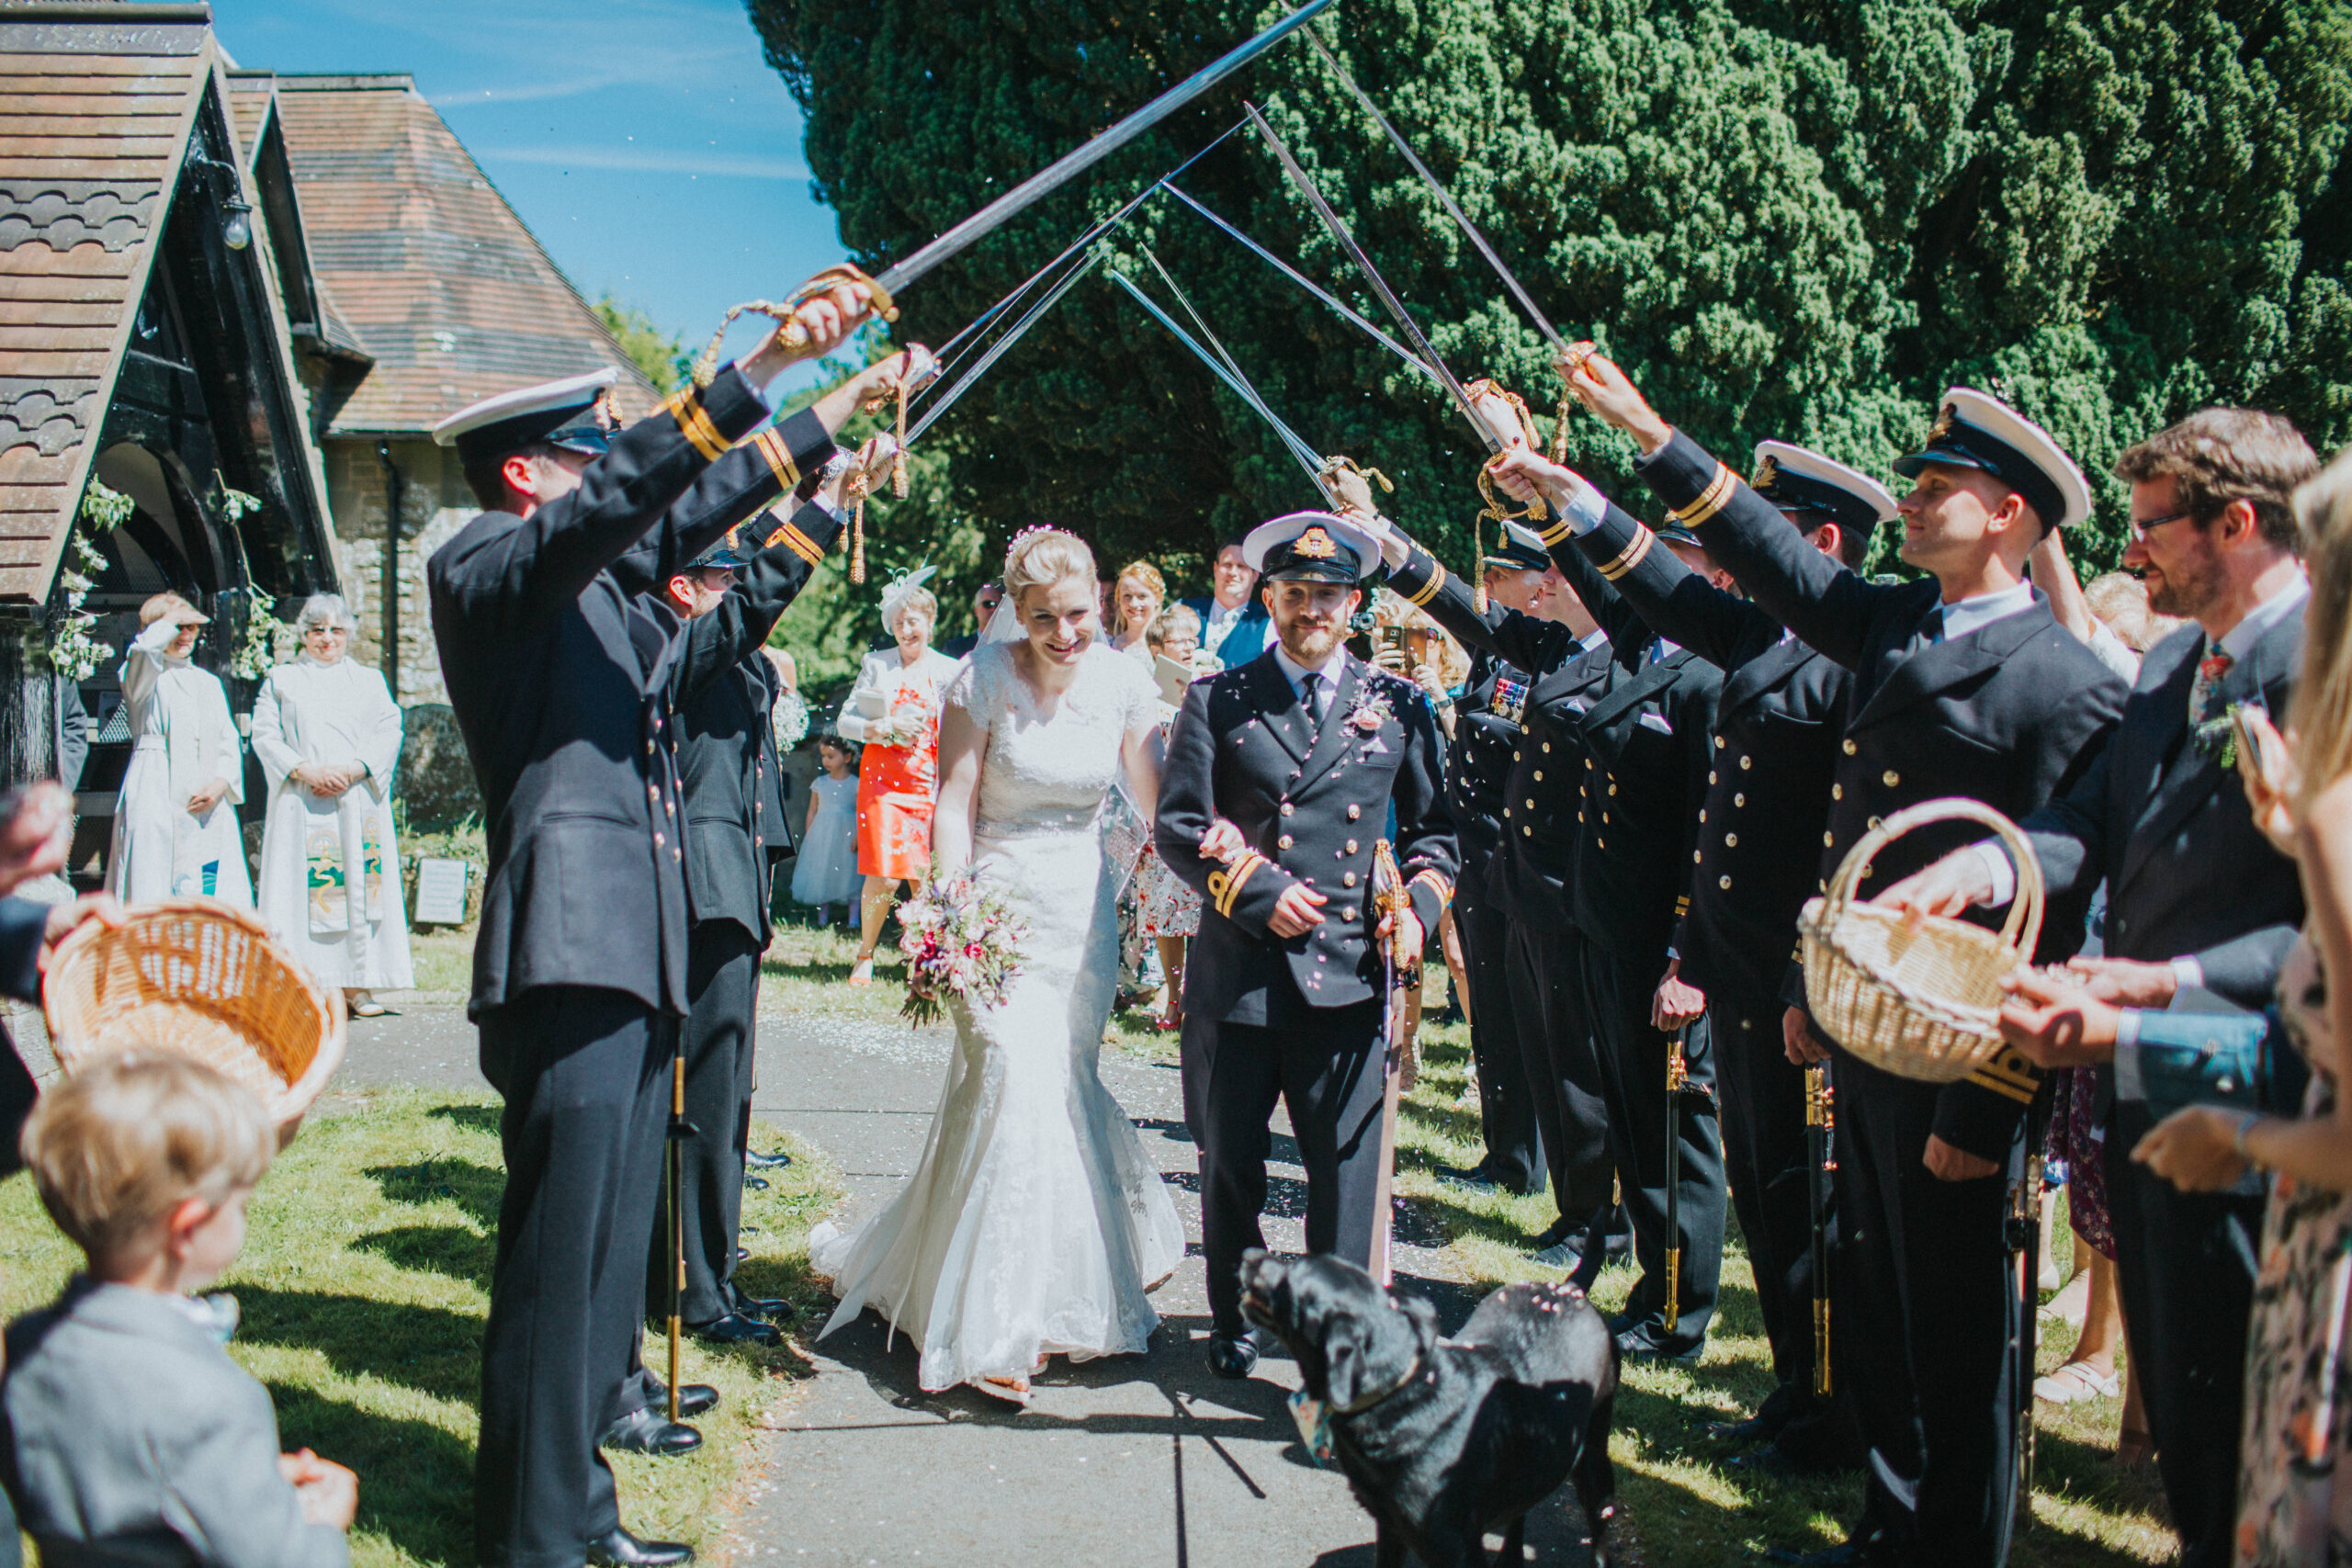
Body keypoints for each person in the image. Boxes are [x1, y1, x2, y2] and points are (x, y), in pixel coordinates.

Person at [1555, 349, 2127, 1568]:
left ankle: (1954, 1541)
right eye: (1913, 481)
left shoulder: (2064, 680)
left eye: (1939, 483)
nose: (1910, 498)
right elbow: (1765, 566)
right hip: (1868, 1028)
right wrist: (1629, 457)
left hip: (1965, 1052)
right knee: (1876, 1295)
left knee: (1960, 1326)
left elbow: (2058, 908)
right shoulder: (1898, 619)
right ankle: (1890, 1522)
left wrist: (1994, 1100)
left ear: (2008, 513)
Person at [426, 279, 890, 1568]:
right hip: (565, 944)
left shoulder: (601, 593)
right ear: (527, 474)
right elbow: (640, 495)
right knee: (554, 1255)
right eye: (584, 451)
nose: (603, 473)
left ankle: (573, 1509)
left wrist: (831, 412)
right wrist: (756, 367)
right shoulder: (482, 565)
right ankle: (529, 1529)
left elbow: (687, 511)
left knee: (597, 1248)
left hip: (628, 946)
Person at [1894, 408, 2320, 1568]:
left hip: (2271, 1112)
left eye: (2149, 530)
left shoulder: (2326, 669)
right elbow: (2093, 818)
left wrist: (2155, 988)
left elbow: (2317, 927)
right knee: (2188, 1428)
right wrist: (1983, 861)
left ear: (2234, 525)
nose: (2129, 554)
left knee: (2263, 1449)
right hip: (2137, 1093)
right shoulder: (2179, 660)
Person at [1497, 432, 1888, 1446]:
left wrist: (1727, 963)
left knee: (1805, 1197)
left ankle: (1837, 1400)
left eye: (1759, 542)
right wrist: (1557, 498)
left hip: (1796, 975)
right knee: (1769, 1193)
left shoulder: (1848, 658)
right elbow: (1652, 585)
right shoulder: (1762, 644)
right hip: (1742, 964)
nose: (1728, 564)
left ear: (1821, 547)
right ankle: (1800, 1390)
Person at [808, 527, 1184, 1404]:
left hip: (1080, 914)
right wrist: (946, 907)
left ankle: (1062, 1292)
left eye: (1080, 614)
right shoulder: (978, 678)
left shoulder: (1125, 682)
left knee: (1058, 1083)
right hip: (995, 909)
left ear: (1100, 600)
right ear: (1017, 612)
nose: (1065, 633)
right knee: (1010, 1077)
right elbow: (953, 801)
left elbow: (1164, 794)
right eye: (1045, 617)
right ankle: (996, 1328)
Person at [1374, 471, 1730, 1360]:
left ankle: (1674, 1303)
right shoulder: (1612, 650)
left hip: (1638, 929)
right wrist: (1394, 548)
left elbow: (1701, 824)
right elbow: (1475, 615)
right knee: (1613, 1103)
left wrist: (1687, 950)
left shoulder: (1689, 671)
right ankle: (1645, 1277)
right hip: (1574, 908)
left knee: (1661, 1126)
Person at [1156, 510, 1458, 1379]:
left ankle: (1338, 1334)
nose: (1310, 609)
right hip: (1242, 978)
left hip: (1350, 976)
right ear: (1269, 596)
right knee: (1233, 1166)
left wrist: (1421, 911)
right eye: (1293, 593)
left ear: (1353, 605)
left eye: (1327, 594)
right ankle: (1241, 1314)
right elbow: (1179, 826)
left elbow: (1441, 832)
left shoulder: (1398, 705)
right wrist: (1256, 890)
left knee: (1344, 1177)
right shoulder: (1218, 698)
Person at [632, 502, 853, 1377]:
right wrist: (823, 511)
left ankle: (716, 1270)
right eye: (720, 579)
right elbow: (757, 597)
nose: (735, 593)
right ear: (687, 587)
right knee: (695, 1098)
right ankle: (685, 1284)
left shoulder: (728, 651)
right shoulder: (677, 644)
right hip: (698, 889)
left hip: (736, 886)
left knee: (728, 1094)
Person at [4, 1053, 356, 1568]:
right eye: (240, 1204)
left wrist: (244, 1476)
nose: (244, 1216)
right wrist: (323, 1526)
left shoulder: (26, 1346)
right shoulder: (208, 1400)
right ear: (188, 1228)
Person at [249, 593, 413, 1016]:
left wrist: (358, 768)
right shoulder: (282, 679)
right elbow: (265, 736)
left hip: (357, 800)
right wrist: (304, 769)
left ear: (348, 635)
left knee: (358, 890)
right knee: (300, 894)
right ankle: (305, 985)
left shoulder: (370, 680)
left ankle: (356, 986)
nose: (327, 639)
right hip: (302, 802)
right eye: (317, 630)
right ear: (303, 635)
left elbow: (389, 730)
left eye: (336, 630)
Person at [836, 568, 960, 986]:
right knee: (885, 873)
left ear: (930, 622)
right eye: (899, 622)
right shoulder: (877, 665)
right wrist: (880, 728)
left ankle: (920, 956)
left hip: (928, 783)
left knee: (921, 874)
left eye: (914, 621)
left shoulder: (948, 670)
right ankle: (865, 953)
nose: (907, 629)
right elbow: (844, 722)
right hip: (882, 783)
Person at [107, 592, 249, 907]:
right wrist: (166, 620)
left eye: (191, 628)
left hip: (205, 792)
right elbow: (143, 651)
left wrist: (220, 783)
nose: (185, 635)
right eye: (177, 627)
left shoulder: (208, 682)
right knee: (154, 873)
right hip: (157, 783)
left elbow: (228, 740)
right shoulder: (145, 676)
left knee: (209, 879)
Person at [1137, 604, 1211, 1032]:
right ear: (1157, 647)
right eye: (1179, 639)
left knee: (1201, 908)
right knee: (1166, 912)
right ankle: (1174, 995)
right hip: (1161, 809)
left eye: (1191, 639)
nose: (1188, 646)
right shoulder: (1147, 693)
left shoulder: (1208, 682)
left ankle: (1199, 998)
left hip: (1202, 809)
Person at [791, 735, 861, 926]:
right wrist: (811, 835)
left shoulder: (856, 784)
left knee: (850, 871)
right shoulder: (820, 783)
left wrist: (859, 835)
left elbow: (861, 812)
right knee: (824, 871)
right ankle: (823, 919)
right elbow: (812, 811)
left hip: (847, 834)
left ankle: (854, 920)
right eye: (823, 756)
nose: (825, 761)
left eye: (831, 756)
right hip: (823, 833)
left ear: (847, 758)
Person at [1181, 537, 1272, 666]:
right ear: (1215, 568)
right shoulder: (1182, 609)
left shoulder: (1268, 625)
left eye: (1241, 566)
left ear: (1256, 575)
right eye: (1227, 565)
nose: (1233, 573)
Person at [1107, 560, 1165, 660]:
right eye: (1127, 596)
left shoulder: (1166, 645)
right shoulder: (1109, 645)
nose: (1133, 604)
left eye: (1142, 596)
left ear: (1158, 598)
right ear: (1118, 598)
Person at [939, 581, 1002, 660]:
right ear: (976, 611)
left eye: (999, 605)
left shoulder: (1015, 646)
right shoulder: (954, 648)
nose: (994, 609)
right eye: (988, 604)